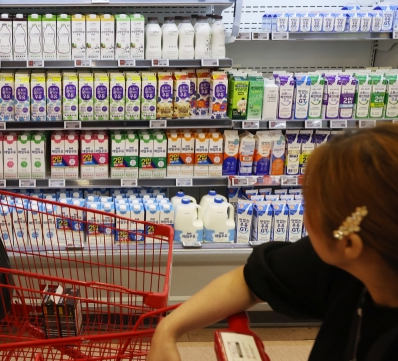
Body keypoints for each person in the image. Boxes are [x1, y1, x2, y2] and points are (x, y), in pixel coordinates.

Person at [148, 126, 398, 361]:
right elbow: (250, 279)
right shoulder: (348, 262)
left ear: (349, 244)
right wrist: (168, 328)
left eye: (310, 206)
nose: (303, 214)